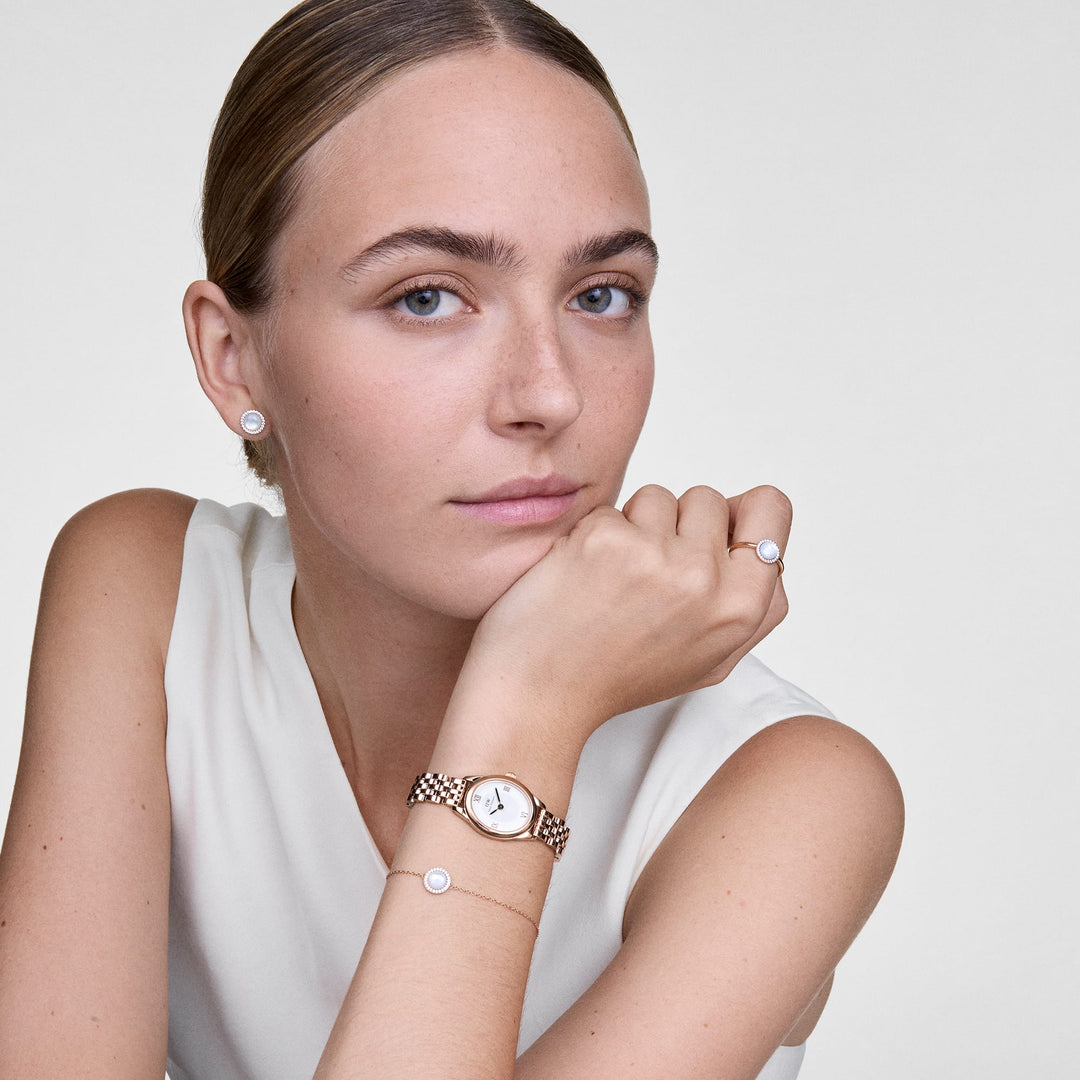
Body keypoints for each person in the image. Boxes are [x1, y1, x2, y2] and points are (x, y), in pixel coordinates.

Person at [0, 1, 903, 1077]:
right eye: (427, 297)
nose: (548, 393)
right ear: (233, 357)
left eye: (601, 295)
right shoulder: (146, 594)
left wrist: (530, 707)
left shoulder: (783, 788)